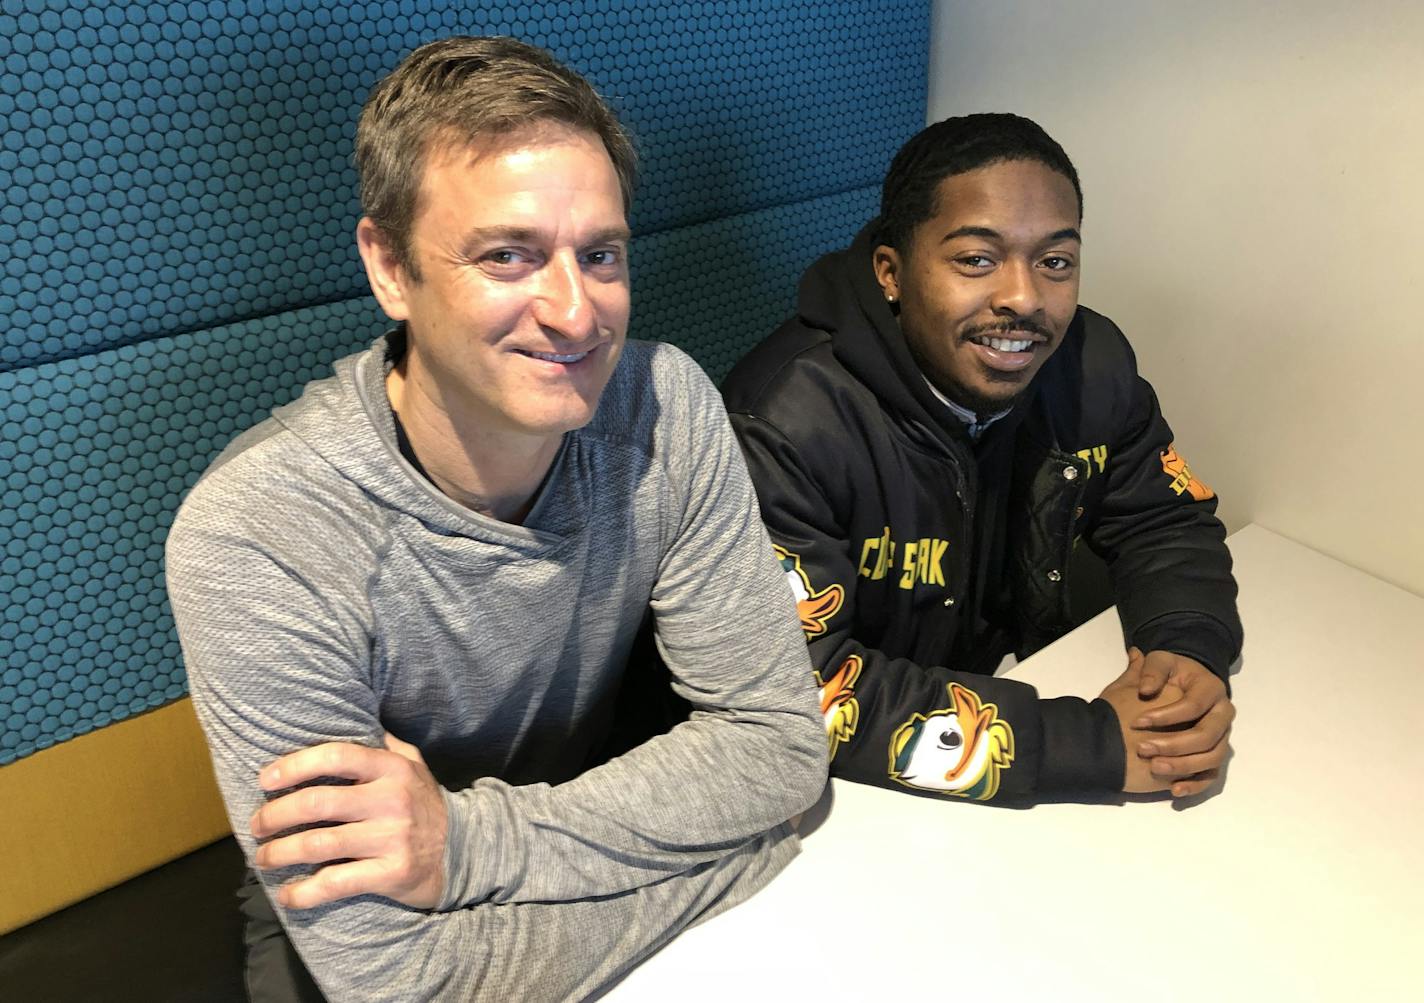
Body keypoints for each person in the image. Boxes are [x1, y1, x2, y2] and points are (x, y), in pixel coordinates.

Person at [166, 36, 825, 1002]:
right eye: (508, 255)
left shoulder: (666, 406)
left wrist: (467, 843)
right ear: (390, 268)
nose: (574, 311)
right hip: (373, 934)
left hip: (543, 849)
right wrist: (737, 854)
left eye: (599, 254)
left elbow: (777, 747)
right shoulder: (259, 534)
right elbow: (397, 978)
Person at [722, 113, 1241, 805]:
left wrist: (1182, 646)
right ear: (891, 273)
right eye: (976, 259)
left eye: (1055, 261)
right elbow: (802, 692)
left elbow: (1165, 523)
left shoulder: (1091, 366)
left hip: (997, 705)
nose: (1024, 298)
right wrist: (1086, 746)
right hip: (854, 806)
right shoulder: (783, 424)